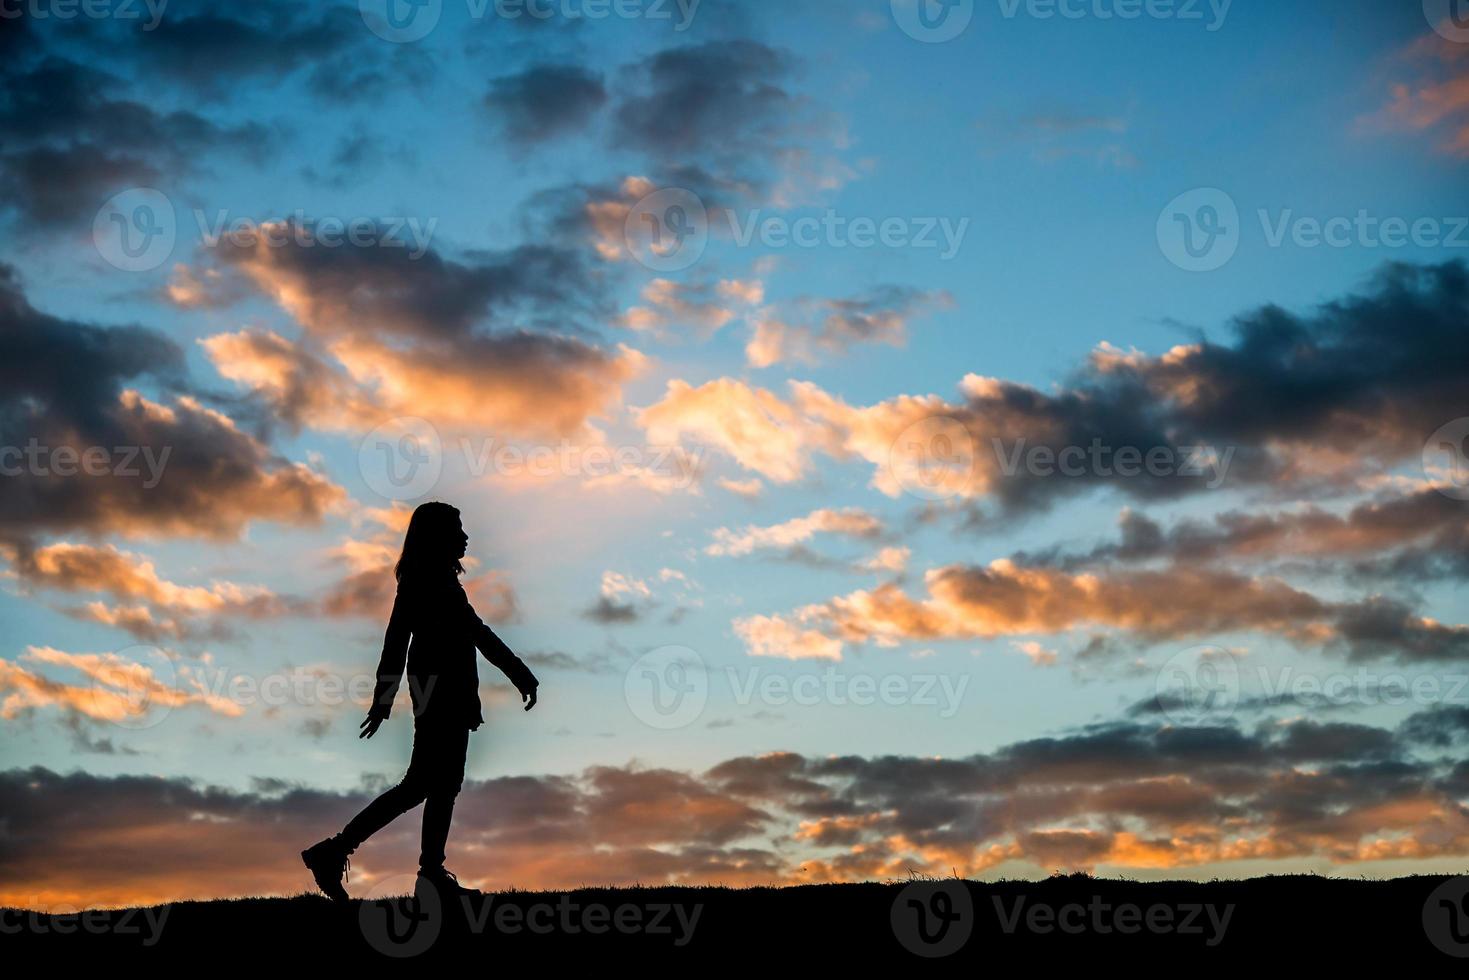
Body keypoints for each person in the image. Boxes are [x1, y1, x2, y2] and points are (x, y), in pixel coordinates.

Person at [301, 501, 538, 900]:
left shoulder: (440, 581)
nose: (464, 537)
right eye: (456, 530)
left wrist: (517, 672)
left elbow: (470, 632)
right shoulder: (423, 582)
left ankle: (426, 872)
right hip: (440, 694)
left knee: (441, 784)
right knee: (424, 785)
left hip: (451, 693)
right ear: (437, 538)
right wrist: (383, 699)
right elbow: (398, 640)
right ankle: (341, 851)